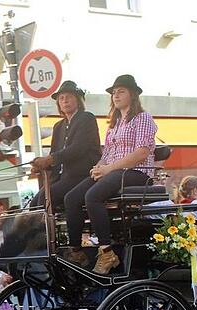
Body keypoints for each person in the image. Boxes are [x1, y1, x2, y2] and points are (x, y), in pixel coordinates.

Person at [64, 74, 157, 274]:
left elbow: (141, 153)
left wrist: (108, 169)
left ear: (132, 95)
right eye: (114, 92)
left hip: (137, 172)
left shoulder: (143, 118)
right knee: (71, 198)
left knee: (92, 196)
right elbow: (106, 154)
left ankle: (106, 252)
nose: (116, 95)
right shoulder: (114, 124)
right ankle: (76, 250)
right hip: (113, 171)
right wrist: (98, 167)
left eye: (121, 91)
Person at [30, 80, 102, 210]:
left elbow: (78, 148)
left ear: (78, 100)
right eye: (61, 98)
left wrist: (49, 160)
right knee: (34, 203)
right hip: (61, 177)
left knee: (45, 198)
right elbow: (54, 154)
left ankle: (49, 229)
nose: (65, 101)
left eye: (69, 97)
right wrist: (40, 165)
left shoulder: (86, 118)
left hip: (82, 175)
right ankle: (42, 230)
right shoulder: (58, 126)